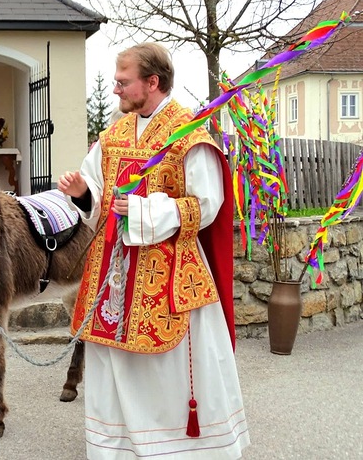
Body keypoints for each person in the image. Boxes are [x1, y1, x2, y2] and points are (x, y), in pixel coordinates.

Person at [57, 42, 250, 459]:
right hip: (113, 276)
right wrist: (84, 193)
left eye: (123, 82)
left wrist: (148, 211)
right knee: (112, 364)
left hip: (170, 274)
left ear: (152, 82)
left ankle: (174, 450)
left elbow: (207, 204)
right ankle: (118, 449)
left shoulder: (188, 134)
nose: (115, 89)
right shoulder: (113, 136)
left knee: (166, 373)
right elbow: (100, 195)